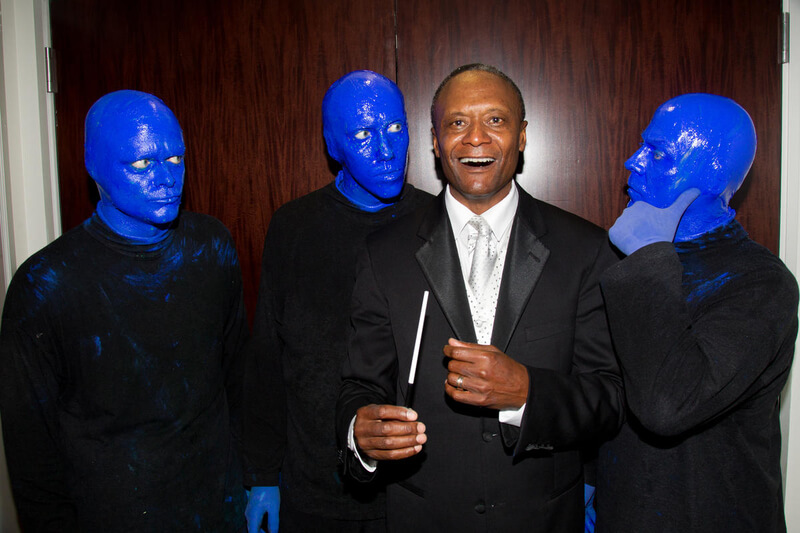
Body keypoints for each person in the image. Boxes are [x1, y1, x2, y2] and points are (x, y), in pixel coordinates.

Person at [335, 63, 624, 532]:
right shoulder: (384, 253)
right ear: (434, 140)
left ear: (523, 136)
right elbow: (359, 386)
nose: (475, 138)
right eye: (456, 122)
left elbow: (609, 398)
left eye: (495, 120)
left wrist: (529, 393)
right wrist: (359, 433)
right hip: (424, 517)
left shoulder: (586, 250)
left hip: (543, 518)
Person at [0, 90, 248, 531]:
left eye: (175, 160)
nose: (166, 179)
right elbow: (31, 451)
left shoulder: (212, 246)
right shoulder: (46, 285)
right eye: (141, 164)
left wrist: (256, 478)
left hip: (219, 506)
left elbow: (238, 376)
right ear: (94, 167)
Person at [595, 93, 798, 532]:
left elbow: (669, 405)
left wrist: (648, 255)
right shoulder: (623, 261)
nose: (633, 161)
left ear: (708, 175)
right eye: (641, 145)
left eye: (658, 153)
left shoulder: (761, 284)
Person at [242, 70, 432, 533]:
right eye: (364, 135)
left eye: (394, 128)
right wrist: (262, 476)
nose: (387, 151)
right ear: (333, 147)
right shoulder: (294, 228)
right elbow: (269, 356)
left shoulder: (439, 223)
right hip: (317, 490)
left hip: (421, 492)